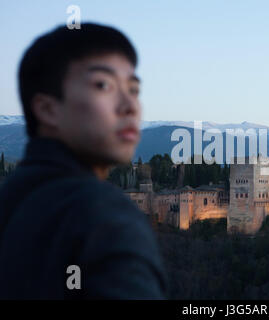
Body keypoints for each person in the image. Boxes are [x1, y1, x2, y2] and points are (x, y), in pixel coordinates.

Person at [0, 23, 167, 299]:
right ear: (47, 109)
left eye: (134, 89)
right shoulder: (103, 215)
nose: (131, 105)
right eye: (103, 85)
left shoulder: (11, 201)